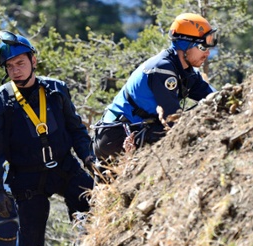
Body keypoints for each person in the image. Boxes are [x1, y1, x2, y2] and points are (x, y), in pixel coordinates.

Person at [0, 30, 95, 246]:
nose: (15, 70)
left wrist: (88, 158)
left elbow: (76, 129)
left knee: (93, 206)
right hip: (26, 179)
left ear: (34, 60)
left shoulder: (57, 90)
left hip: (66, 168)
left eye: (20, 63)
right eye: (10, 66)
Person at [92, 13, 217, 164]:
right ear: (185, 45)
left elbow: (214, 97)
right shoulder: (162, 69)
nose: (208, 52)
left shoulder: (187, 71)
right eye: (203, 46)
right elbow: (172, 120)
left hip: (135, 130)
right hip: (116, 135)